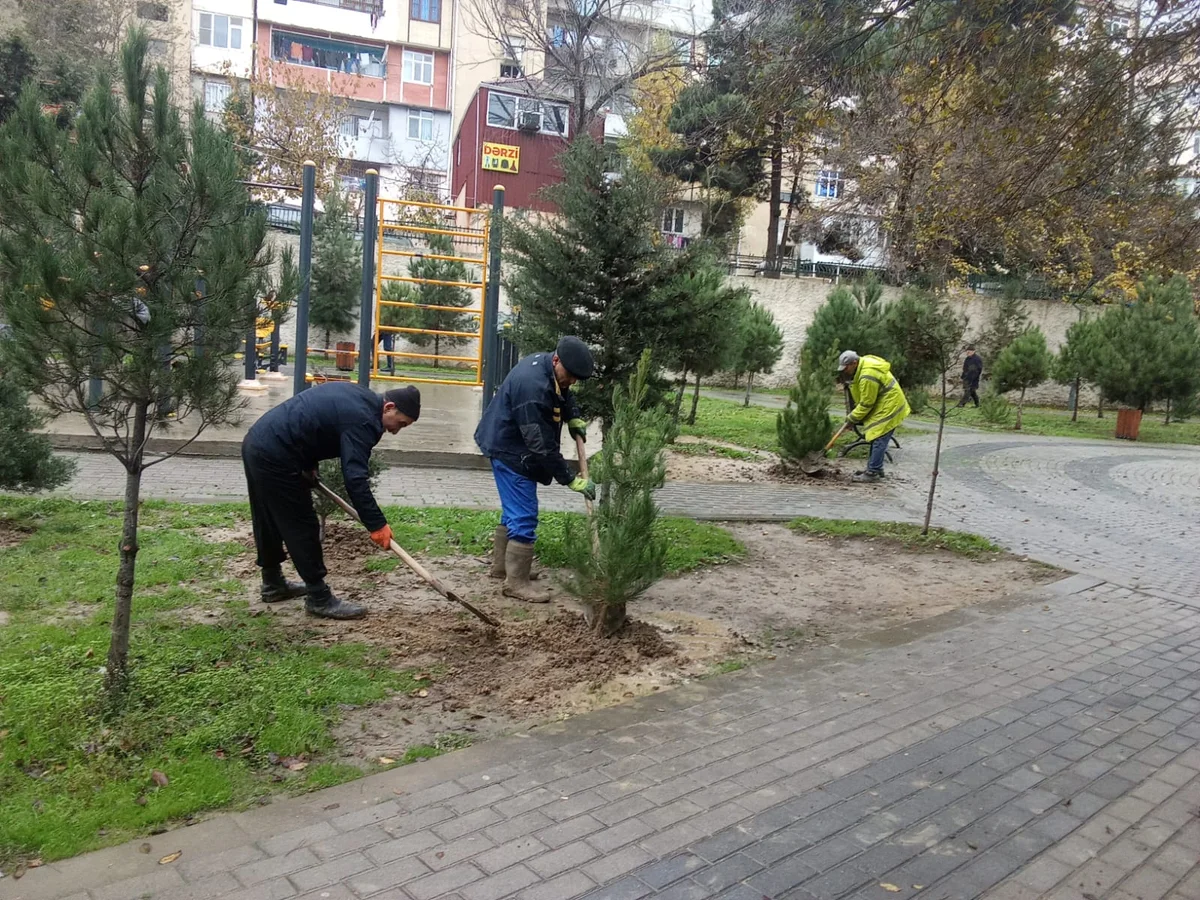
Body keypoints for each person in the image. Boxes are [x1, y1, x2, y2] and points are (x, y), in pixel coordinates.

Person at [241, 382, 421, 619]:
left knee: (268, 517)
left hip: (258, 442)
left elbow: (313, 422)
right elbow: (355, 478)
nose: (396, 430)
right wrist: (376, 524)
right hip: (277, 454)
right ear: (389, 407)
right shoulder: (365, 421)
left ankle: (273, 583)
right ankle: (319, 597)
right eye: (400, 423)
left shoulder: (360, 399)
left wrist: (309, 464)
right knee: (301, 524)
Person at [475, 336, 598, 602]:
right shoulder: (533, 388)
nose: (573, 381)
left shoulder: (549, 366)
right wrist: (569, 479)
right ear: (557, 360)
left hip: (510, 443)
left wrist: (572, 415)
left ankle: (502, 568)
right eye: (571, 375)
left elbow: (564, 393)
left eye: (577, 377)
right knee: (524, 516)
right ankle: (515, 583)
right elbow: (541, 446)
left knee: (513, 512)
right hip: (510, 452)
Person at [836, 350, 911, 483]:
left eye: (846, 367)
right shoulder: (864, 364)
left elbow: (866, 403)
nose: (845, 370)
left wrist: (851, 418)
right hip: (886, 402)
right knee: (877, 437)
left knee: (879, 438)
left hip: (890, 406)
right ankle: (875, 468)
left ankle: (873, 472)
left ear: (854, 362)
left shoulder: (867, 375)